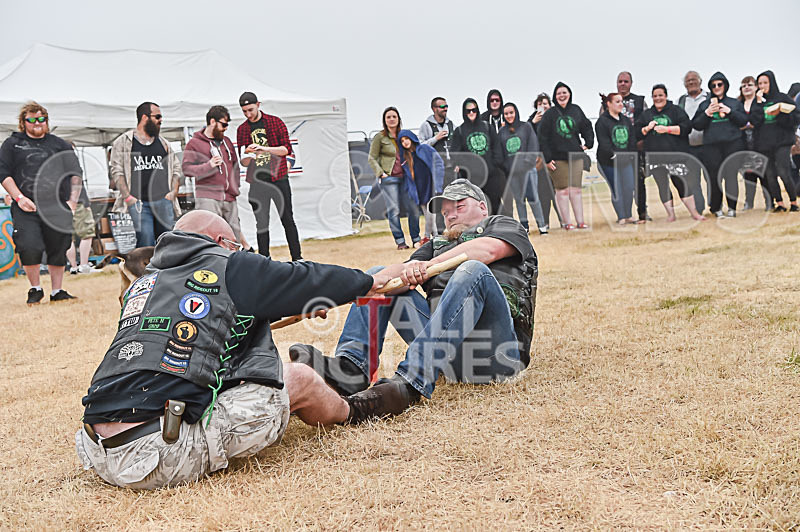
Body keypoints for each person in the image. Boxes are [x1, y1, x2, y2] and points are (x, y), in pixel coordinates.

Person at [75, 210, 395, 489]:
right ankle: (355, 411)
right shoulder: (227, 262)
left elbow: (209, 333)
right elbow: (306, 278)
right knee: (299, 378)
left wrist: (289, 309)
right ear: (222, 242)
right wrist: (367, 281)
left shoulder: (148, 282)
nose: (241, 251)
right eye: (237, 246)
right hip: (157, 454)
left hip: (98, 452)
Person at [289, 179, 537, 422]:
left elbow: (488, 251)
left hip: (496, 355)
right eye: (446, 212)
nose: (451, 216)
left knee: (472, 269)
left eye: (459, 207)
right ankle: (352, 368)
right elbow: (393, 275)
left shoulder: (504, 225)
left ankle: (410, 383)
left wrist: (428, 266)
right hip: (449, 360)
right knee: (377, 277)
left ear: (482, 207)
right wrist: (335, 295)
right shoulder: (437, 244)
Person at [0, 102, 82, 303]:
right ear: (23, 122)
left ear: (46, 121)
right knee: (29, 245)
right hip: (26, 205)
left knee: (58, 246)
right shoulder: (12, 144)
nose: (37, 123)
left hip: (56, 205)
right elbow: (3, 173)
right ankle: (35, 288)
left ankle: (57, 291)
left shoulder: (59, 144)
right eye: (32, 119)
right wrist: (19, 198)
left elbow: (75, 174)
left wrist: (72, 202)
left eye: (41, 119)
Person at [236, 92, 303, 260]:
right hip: (257, 181)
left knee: (287, 219)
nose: (248, 114)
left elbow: (286, 149)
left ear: (258, 104)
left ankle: (297, 258)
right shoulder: (242, 129)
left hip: (279, 178)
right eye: (244, 111)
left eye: (250, 109)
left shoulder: (275, 122)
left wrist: (264, 149)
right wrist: (248, 155)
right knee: (261, 223)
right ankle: (264, 259)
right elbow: (243, 162)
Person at [110, 102, 182, 247]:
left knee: (167, 242)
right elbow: (117, 171)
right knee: (145, 243)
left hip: (163, 201)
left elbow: (176, 168)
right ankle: (147, 270)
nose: (161, 120)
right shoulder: (124, 142)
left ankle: (166, 270)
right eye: (157, 116)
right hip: (139, 203)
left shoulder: (163, 143)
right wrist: (128, 197)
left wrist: (173, 192)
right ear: (144, 117)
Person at [182, 105, 250, 250]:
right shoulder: (194, 143)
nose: (226, 128)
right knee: (210, 235)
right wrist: (209, 165)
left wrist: (235, 187)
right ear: (212, 122)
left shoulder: (227, 142)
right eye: (223, 124)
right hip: (208, 196)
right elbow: (187, 169)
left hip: (229, 196)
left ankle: (237, 264)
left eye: (227, 125)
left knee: (234, 234)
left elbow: (235, 166)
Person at [636, 84, 705, 222]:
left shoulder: (676, 111)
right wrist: (646, 128)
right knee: (663, 186)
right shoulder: (647, 114)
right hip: (656, 158)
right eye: (655, 96)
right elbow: (637, 133)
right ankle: (671, 215)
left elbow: (687, 128)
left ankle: (695, 213)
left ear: (666, 96)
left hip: (675, 156)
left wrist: (667, 129)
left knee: (681, 184)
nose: (658, 98)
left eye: (660, 95)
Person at [538, 81, 594, 230]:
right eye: (559, 93)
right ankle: (566, 223)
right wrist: (548, 159)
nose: (562, 95)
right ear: (555, 97)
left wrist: (588, 143)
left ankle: (580, 221)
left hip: (575, 155)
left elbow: (586, 126)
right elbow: (542, 137)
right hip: (557, 159)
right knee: (562, 191)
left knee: (576, 190)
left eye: (564, 92)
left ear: (569, 94)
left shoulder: (576, 110)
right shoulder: (550, 114)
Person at [691, 72, 748, 218]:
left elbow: (743, 121)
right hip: (711, 147)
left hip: (732, 144)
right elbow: (696, 125)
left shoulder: (734, 103)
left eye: (719, 84)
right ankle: (716, 208)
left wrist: (729, 112)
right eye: (713, 85)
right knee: (714, 177)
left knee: (731, 177)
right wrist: (707, 113)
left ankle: (732, 208)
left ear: (725, 85)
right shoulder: (705, 104)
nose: (717, 87)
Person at [368, 107, 420, 250]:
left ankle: (416, 239)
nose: (391, 119)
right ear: (384, 120)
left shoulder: (403, 135)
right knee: (394, 210)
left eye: (394, 117)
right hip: (389, 178)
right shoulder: (380, 137)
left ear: (399, 119)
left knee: (413, 209)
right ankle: (400, 241)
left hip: (406, 178)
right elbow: (371, 158)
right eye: (388, 117)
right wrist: (381, 173)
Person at [749, 70, 800, 212]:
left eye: (765, 82)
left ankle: (793, 202)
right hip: (764, 143)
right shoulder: (756, 102)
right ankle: (780, 203)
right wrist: (759, 104)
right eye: (760, 83)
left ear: (772, 82)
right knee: (770, 175)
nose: (763, 86)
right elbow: (754, 121)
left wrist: (780, 114)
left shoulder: (782, 98)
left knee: (784, 172)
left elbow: (795, 118)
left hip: (782, 142)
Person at [496, 102, 546, 233]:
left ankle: (542, 226)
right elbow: (500, 153)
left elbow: (533, 146)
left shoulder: (526, 127)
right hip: (513, 172)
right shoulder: (501, 132)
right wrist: (508, 167)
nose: (509, 116)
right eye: (506, 114)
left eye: (511, 113)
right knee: (519, 199)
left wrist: (527, 163)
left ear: (516, 112)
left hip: (528, 170)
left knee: (533, 197)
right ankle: (524, 226)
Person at [451, 99, 503, 215]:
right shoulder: (459, 131)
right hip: (472, 178)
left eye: (473, 110)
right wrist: (465, 168)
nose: (471, 113)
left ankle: (497, 229)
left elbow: (497, 147)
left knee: (495, 204)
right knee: (476, 207)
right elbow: (455, 154)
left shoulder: (487, 127)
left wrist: (494, 164)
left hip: (491, 175)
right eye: (468, 111)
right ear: (464, 112)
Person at [612, 72, 651, 222]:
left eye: (626, 81)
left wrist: (643, 140)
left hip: (637, 147)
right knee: (620, 185)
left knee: (639, 182)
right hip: (618, 149)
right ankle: (624, 215)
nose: (623, 84)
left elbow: (647, 120)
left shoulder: (640, 101)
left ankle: (642, 212)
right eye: (620, 81)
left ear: (631, 83)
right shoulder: (609, 101)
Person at [595, 93, 637, 224]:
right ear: (609, 104)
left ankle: (629, 215)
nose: (621, 104)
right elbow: (604, 143)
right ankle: (621, 216)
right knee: (617, 188)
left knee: (629, 187)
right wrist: (615, 155)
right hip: (608, 162)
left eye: (621, 102)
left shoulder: (625, 120)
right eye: (617, 101)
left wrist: (629, 155)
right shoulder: (602, 122)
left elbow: (632, 139)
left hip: (625, 161)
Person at [397, 130, 444, 244]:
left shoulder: (424, 148)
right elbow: (408, 177)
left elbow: (438, 163)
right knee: (427, 213)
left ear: (412, 138)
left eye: (407, 139)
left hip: (430, 185)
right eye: (402, 141)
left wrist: (438, 184)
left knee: (430, 212)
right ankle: (436, 237)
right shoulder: (405, 158)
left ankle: (426, 237)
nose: (405, 142)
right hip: (419, 189)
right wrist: (411, 191)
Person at [418, 97, 455, 236]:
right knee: (439, 201)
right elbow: (420, 147)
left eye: (446, 106)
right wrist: (435, 138)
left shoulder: (451, 124)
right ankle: (438, 233)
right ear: (434, 109)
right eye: (442, 106)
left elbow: (457, 144)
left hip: (451, 168)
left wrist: (458, 163)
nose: (445, 109)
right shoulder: (426, 125)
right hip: (436, 171)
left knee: (453, 199)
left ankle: (454, 229)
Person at [678, 71, 709, 215]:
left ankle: (715, 205)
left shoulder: (709, 97)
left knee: (711, 177)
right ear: (685, 84)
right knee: (693, 180)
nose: (691, 83)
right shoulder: (682, 101)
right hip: (689, 147)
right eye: (688, 81)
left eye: (694, 80)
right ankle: (699, 208)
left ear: (700, 81)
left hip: (708, 144)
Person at [738, 76, 771, 211]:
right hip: (743, 143)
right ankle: (749, 202)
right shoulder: (737, 104)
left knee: (764, 175)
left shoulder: (762, 103)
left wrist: (749, 123)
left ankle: (769, 202)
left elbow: (759, 120)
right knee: (748, 175)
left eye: (750, 85)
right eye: (743, 85)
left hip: (760, 142)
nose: (746, 87)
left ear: (756, 87)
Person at [528, 93, 559, 229]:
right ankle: (545, 222)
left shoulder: (556, 117)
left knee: (558, 193)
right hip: (540, 163)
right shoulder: (531, 121)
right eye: (540, 104)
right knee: (544, 195)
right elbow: (527, 137)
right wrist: (533, 123)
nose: (543, 106)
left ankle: (564, 220)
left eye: (546, 103)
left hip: (555, 160)